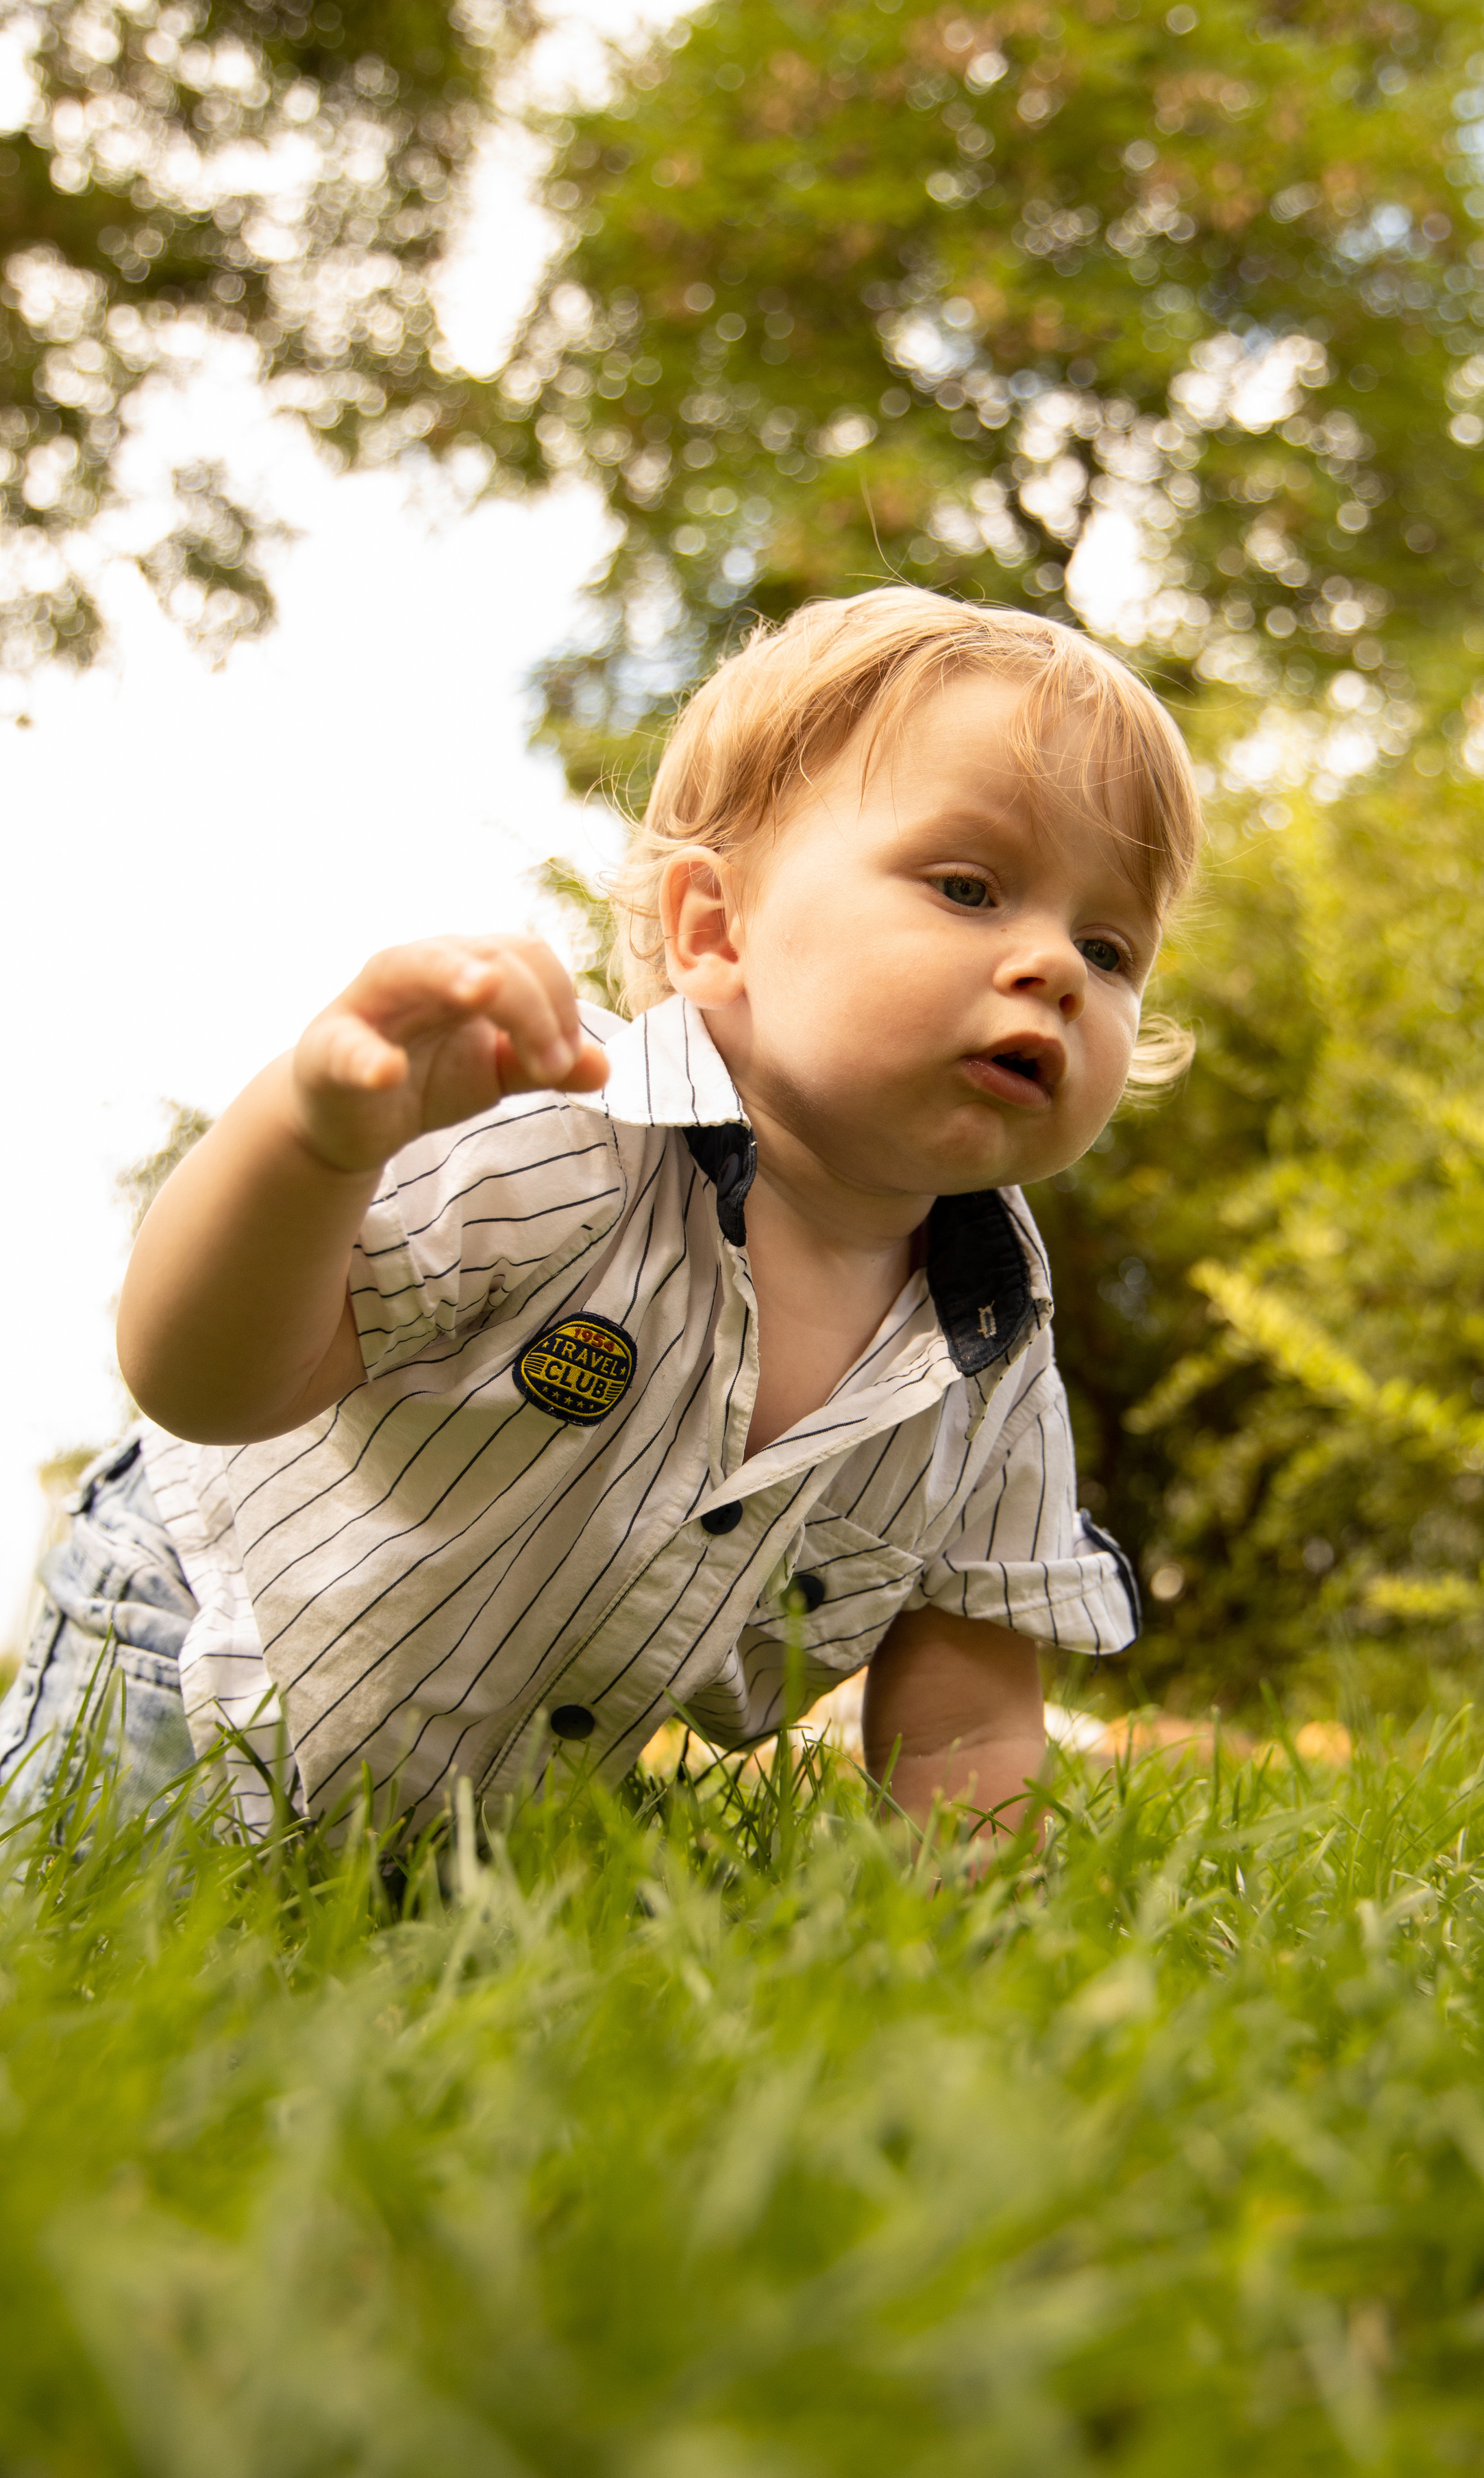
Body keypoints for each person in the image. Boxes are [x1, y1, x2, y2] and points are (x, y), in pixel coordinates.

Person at [0, 588, 1199, 1841]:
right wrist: (312, 1142)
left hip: (469, 1794)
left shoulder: (992, 1359)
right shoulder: (564, 1143)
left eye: (1111, 949)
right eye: (968, 886)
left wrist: (983, 1931)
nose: (1054, 967)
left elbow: (964, 1727)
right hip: (194, 1643)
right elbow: (207, 1383)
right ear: (716, 928)